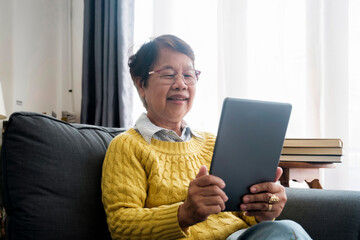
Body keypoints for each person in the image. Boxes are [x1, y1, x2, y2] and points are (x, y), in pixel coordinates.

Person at [101, 34, 311, 240]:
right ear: (141, 84)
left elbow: (244, 219)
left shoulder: (213, 143)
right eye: (168, 74)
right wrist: (184, 214)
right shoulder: (127, 146)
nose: (181, 84)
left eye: (189, 75)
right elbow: (120, 225)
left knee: (285, 229)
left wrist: (264, 213)